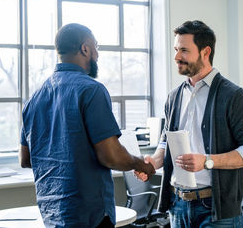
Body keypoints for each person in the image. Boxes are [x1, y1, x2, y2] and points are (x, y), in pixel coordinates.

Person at [19, 23, 155, 228]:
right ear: (85, 49)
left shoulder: (34, 99)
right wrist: (139, 164)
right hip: (89, 215)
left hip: (51, 214)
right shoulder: (92, 90)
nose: (97, 54)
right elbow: (111, 156)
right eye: (96, 47)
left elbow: (26, 159)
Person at [137, 20, 243, 228]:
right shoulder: (174, 96)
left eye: (184, 50)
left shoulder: (233, 96)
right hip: (177, 206)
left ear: (205, 52)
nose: (177, 56)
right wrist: (155, 160)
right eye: (176, 49)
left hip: (216, 209)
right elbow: (166, 139)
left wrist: (207, 161)